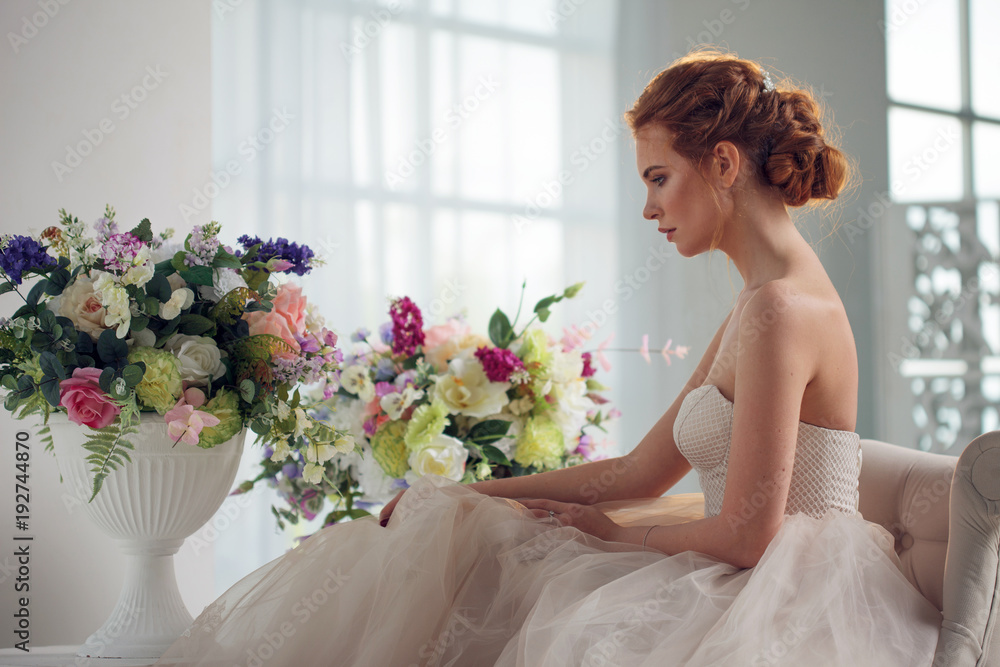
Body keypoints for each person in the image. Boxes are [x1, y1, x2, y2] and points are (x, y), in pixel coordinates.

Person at [155, 50, 942, 667]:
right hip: (735, 563)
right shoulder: (758, 299)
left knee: (539, 593)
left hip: (784, 595)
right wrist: (468, 491)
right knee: (470, 530)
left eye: (659, 178)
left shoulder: (780, 307)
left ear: (725, 164)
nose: (648, 208)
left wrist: (611, 533)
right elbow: (640, 472)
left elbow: (747, 535)